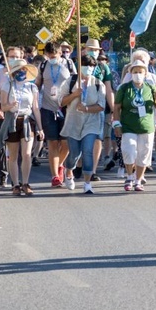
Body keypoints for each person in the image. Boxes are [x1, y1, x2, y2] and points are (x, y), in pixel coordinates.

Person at [113, 59, 156, 191]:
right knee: (129, 150)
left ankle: (138, 180)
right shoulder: (124, 88)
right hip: (128, 125)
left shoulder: (151, 88)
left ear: (145, 74)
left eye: (140, 72)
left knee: (144, 154)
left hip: (146, 127)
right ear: (131, 73)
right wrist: (116, 123)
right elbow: (117, 107)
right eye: (135, 72)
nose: (138, 74)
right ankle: (129, 176)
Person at [59, 54, 106, 194]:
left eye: (91, 66)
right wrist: (74, 94)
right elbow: (61, 102)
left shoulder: (98, 84)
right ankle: (69, 171)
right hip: (73, 121)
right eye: (86, 65)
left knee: (87, 150)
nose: (89, 68)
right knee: (74, 153)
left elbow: (101, 106)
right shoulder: (71, 81)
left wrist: (86, 108)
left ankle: (87, 182)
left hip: (91, 122)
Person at [0, 58, 44, 196]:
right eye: (18, 70)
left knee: (27, 154)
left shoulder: (32, 87)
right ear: (13, 72)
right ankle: (16, 184)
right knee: (13, 155)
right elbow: (3, 106)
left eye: (23, 69)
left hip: (27, 120)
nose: (21, 72)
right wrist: (10, 106)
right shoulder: (8, 85)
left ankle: (25, 183)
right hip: (12, 120)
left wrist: (40, 128)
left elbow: (35, 108)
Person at [36, 41, 72, 188]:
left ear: (60, 53)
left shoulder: (68, 64)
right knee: (52, 142)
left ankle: (60, 165)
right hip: (47, 108)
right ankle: (55, 176)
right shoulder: (43, 65)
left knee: (66, 143)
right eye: (49, 55)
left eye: (54, 55)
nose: (52, 58)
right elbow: (38, 83)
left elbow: (75, 82)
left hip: (65, 107)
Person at [0, 46, 24, 188]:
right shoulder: (0, 73)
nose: (14, 59)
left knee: (17, 145)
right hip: (2, 109)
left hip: (18, 112)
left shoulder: (24, 72)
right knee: (0, 144)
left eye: (17, 56)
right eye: (11, 56)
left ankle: (16, 177)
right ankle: (2, 174)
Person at [84, 38, 115, 180]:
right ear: (85, 49)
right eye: (90, 49)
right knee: (79, 137)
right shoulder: (79, 63)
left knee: (98, 139)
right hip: (80, 106)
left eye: (95, 50)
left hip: (99, 107)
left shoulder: (103, 68)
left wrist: (114, 110)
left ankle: (93, 171)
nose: (93, 52)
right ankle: (79, 164)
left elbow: (109, 90)